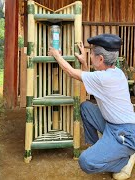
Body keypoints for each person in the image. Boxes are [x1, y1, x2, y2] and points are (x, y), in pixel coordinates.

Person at [48, 34, 135, 180]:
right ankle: (101, 147)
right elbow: (91, 81)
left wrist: (56, 55)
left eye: (92, 54)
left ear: (100, 59)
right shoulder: (116, 73)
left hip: (125, 133)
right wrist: (83, 63)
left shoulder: (103, 78)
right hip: (112, 125)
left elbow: (71, 72)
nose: (90, 56)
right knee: (86, 107)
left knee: (86, 161)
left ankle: (124, 160)